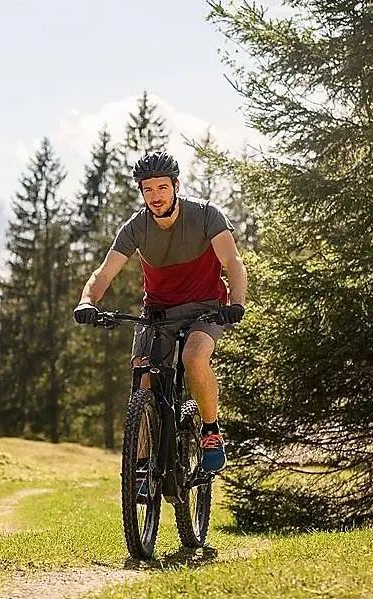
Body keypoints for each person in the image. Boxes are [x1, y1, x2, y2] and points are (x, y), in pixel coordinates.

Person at [73, 151, 248, 473]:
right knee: (143, 377)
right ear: (141, 191)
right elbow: (105, 272)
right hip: (157, 312)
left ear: (175, 186)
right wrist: (87, 301)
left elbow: (232, 262)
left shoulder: (206, 215)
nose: (155, 196)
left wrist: (236, 302)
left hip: (205, 309)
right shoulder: (136, 227)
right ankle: (140, 466)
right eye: (148, 189)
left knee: (194, 358)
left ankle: (210, 430)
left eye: (162, 188)